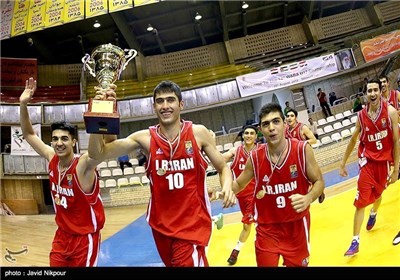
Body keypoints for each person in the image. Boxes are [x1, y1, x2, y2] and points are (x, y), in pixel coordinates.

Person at [88, 80, 236, 267]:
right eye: (160, 101)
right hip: (161, 227)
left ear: (181, 104)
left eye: (170, 100)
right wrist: (103, 113)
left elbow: (223, 167)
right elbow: (99, 153)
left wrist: (227, 187)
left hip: (191, 225)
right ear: (154, 106)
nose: (165, 106)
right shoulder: (145, 138)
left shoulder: (198, 133)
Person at [19, 77, 112, 267]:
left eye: (64, 138)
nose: (59, 143)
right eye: (55, 139)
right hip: (61, 236)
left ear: (74, 142)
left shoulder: (83, 165)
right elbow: (29, 134)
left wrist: (100, 109)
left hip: (84, 239)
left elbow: (99, 149)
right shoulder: (51, 156)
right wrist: (23, 104)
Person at [231, 103, 325, 267]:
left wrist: (309, 197)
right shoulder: (254, 158)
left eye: (276, 121)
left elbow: (319, 181)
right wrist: (219, 194)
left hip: (296, 228)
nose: (271, 128)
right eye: (266, 124)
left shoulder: (302, 149)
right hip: (267, 231)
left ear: (284, 123)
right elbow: (238, 184)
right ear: (261, 129)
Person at [339, 77, 399, 256]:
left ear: (381, 92)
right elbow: (353, 140)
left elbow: (396, 141)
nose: (372, 93)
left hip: (384, 163)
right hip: (367, 162)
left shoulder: (390, 112)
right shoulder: (361, 116)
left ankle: (374, 213)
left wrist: (396, 169)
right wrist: (342, 162)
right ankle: (355, 241)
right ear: (365, 95)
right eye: (369, 91)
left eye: (375, 90)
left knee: (377, 196)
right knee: (360, 202)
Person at [221, 125, 259, 265]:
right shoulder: (235, 151)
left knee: (256, 224)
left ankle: (236, 251)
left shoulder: (261, 151)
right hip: (242, 195)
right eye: (246, 133)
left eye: (251, 133)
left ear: (256, 136)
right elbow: (218, 160)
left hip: (259, 194)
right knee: (247, 227)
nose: (249, 135)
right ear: (243, 136)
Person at [285, 108, 325, 203]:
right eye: (287, 116)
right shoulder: (285, 130)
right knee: (294, 178)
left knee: (312, 177)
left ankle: (319, 191)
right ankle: (299, 196)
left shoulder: (302, 128)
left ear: (296, 118)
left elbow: (314, 140)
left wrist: (300, 144)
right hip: (293, 161)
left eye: (292, 116)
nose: (289, 118)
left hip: (305, 157)